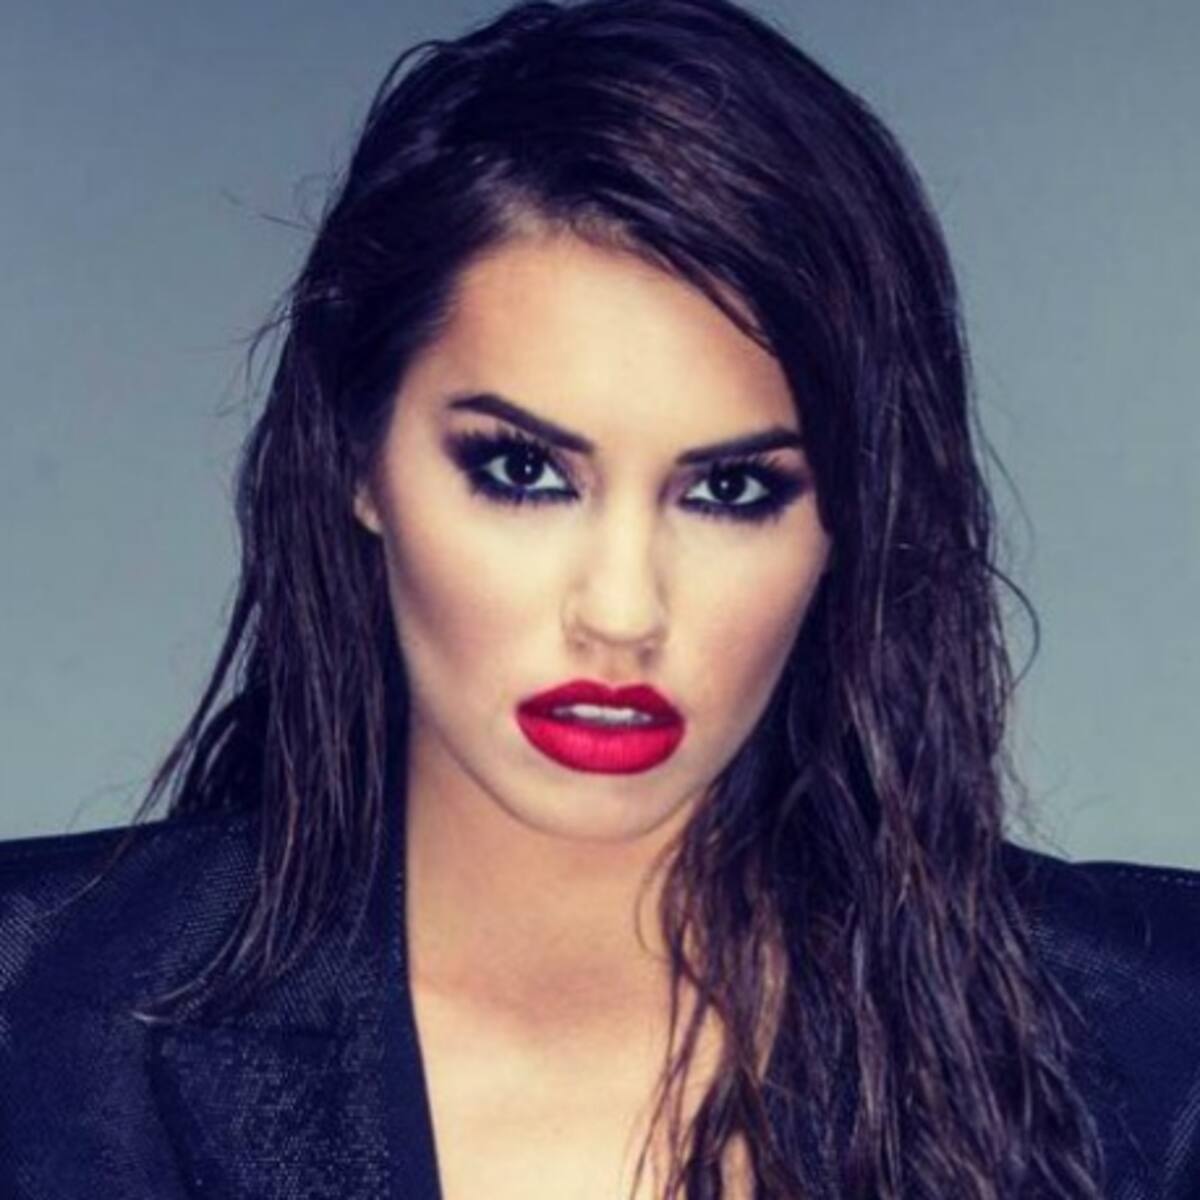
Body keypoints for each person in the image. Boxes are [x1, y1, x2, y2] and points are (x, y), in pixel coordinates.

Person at [1, 0, 1197, 1196]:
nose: (622, 611)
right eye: (523, 471)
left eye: (730, 489)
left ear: (851, 517)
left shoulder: (1161, 1055)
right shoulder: (35, 1027)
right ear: (359, 459)